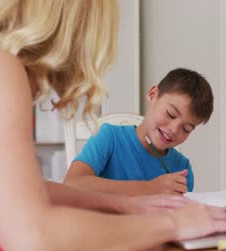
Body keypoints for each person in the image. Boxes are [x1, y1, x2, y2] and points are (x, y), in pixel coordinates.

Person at [0, 1, 226, 251]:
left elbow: (32, 189)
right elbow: (35, 240)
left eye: (187, 128)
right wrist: (172, 225)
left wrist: (127, 205)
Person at [64, 68, 213, 195]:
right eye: (170, 114)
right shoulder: (110, 138)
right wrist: (149, 188)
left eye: (186, 129)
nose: (174, 129)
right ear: (153, 94)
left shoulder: (182, 168)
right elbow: (72, 184)